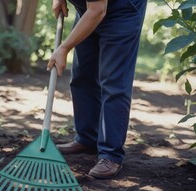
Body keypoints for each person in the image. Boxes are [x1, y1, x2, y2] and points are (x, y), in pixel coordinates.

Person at [47, 0, 147, 179]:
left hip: (121, 11)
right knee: (82, 76)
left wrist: (64, 48)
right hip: (90, 9)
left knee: (113, 82)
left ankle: (111, 155)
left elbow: (97, 10)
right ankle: (87, 139)